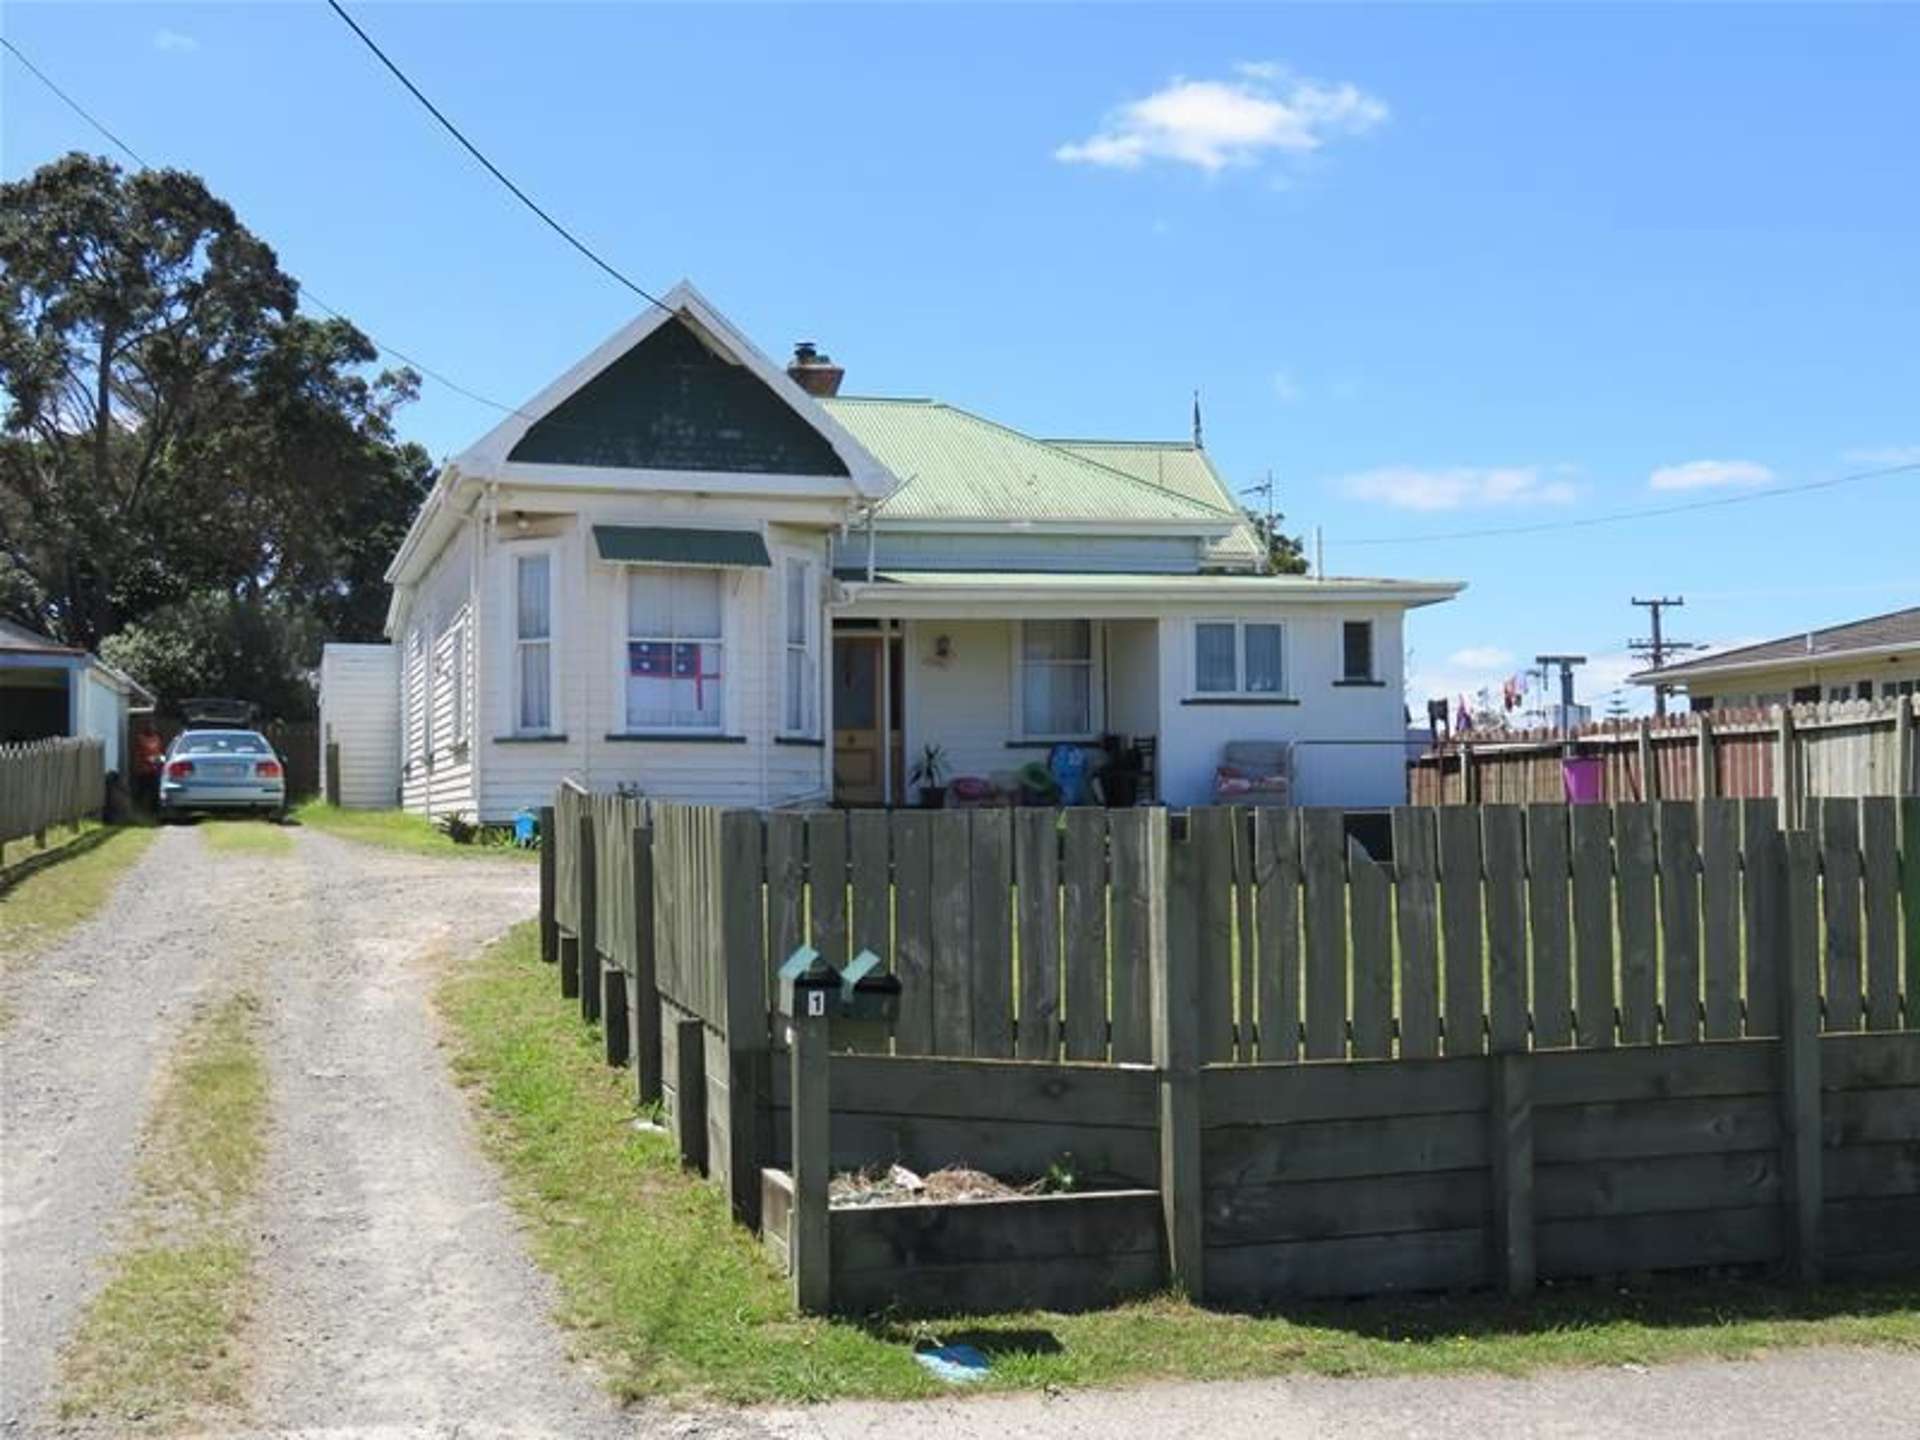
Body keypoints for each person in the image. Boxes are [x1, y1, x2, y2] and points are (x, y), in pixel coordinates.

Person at [132, 720, 165, 814]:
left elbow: (159, 752)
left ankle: (154, 812)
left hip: (154, 770)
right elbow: (142, 753)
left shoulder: (157, 738)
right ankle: (137, 810)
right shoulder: (141, 738)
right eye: (150, 727)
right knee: (141, 792)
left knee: (155, 792)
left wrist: (161, 760)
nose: (152, 729)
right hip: (143, 770)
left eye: (153, 727)